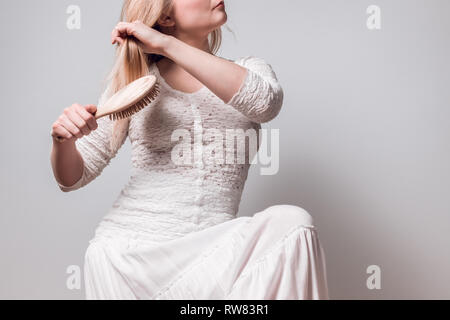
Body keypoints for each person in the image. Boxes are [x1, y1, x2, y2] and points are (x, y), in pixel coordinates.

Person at [50, 0, 329, 299]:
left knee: (293, 224)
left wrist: (166, 44)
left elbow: (264, 104)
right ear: (166, 15)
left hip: (214, 258)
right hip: (131, 258)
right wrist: (62, 142)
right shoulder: (135, 85)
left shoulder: (249, 69)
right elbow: (72, 179)